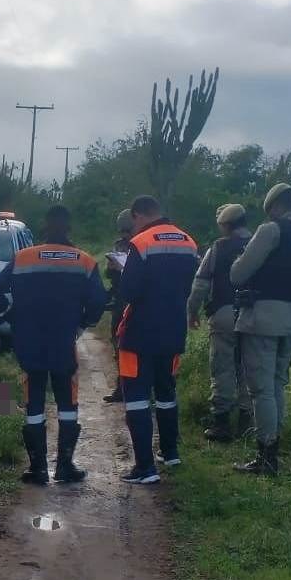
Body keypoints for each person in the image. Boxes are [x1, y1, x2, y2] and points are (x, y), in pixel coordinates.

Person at [0, 205, 108, 485]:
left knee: (34, 400)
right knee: (67, 400)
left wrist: (10, 316)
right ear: (69, 228)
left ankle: (38, 468)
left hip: (30, 342)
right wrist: (82, 324)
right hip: (63, 343)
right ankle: (65, 466)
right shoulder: (84, 261)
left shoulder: (23, 257)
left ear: (45, 226)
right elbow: (99, 300)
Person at [229, 183, 291, 476]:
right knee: (276, 386)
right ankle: (273, 449)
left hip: (263, 318)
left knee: (261, 390)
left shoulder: (271, 230)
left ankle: (267, 455)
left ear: (275, 207)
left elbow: (238, 274)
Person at [115, 195, 199, 484]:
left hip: (140, 332)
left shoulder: (141, 243)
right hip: (173, 329)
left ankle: (145, 468)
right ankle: (170, 452)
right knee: (166, 392)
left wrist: (122, 271)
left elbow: (128, 291)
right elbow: (189, 286)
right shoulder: (188, 242)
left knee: (136, 397)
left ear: (138, 215)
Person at [186, 203, 254, 442]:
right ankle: (247, 421)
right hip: (254, 314)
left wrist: (192, 311)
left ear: (225, 225)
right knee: (249, 368)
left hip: (224, 312)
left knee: (222, 367)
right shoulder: (259, 244)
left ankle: (221, 422)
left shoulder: (219, 247)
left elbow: (201, 284)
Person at [102, 209, 136, 403]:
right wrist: (112, 268)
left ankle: (137, 388)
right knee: (118, 345)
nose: (124, 235)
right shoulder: (119, 245)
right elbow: (109, 275)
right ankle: (121, 388)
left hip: (136, 301)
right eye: (121, 231)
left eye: (126, 230)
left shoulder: (141, 244)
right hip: (120, 299)